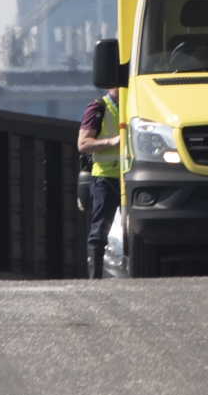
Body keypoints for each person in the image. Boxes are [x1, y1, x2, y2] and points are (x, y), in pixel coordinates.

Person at [78, 87, 121, 279]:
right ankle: (95, 281)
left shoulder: (135, 105)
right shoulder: (98, 107)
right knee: (100, 229)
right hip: (105, 178)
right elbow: (83, 144)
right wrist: (111, 142)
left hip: (130, 176)